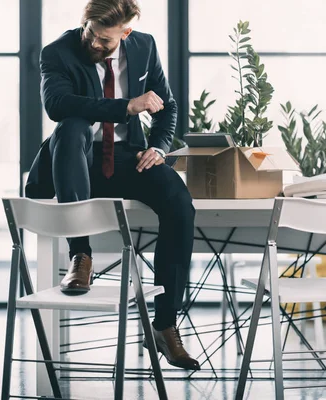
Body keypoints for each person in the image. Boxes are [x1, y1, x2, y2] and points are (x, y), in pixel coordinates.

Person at [25, 0, 199, 371]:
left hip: (128, 156)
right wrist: (126, 107)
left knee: (180, 204)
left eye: (105, 39)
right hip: (77, 160)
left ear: (126, 33)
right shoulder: (58, 51)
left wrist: (159, 146)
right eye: (91, 33)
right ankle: (80, 255)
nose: (95, 43)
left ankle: (166, 323)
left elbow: (166, 106)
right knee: (70, 127)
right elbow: (56, 104)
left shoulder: (144, 46)